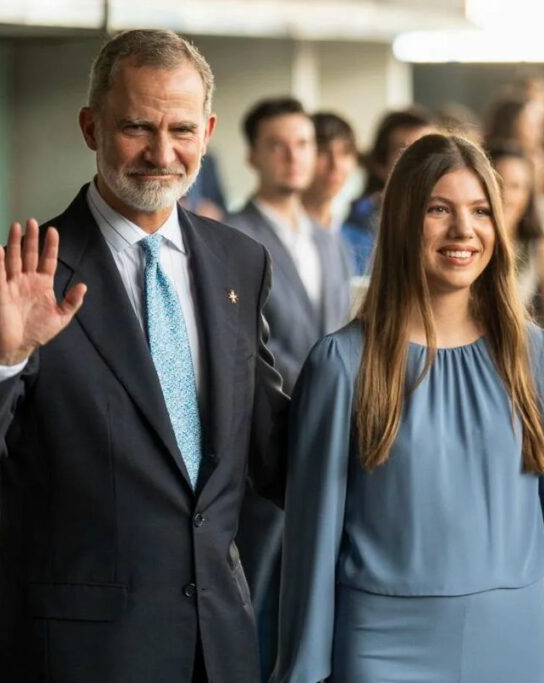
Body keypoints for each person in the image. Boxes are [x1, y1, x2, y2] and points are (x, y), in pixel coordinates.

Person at [0, 30, 286, 683]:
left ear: (209, 130)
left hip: (218, 649)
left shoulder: (239, 263)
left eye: (182, 130)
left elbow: (274, 449)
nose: (162, 153)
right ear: (91, 127)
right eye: (137, 127)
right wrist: (4, 354)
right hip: (79, 658)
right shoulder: (26, 276)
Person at [271, 133, 544, 683]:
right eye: (438, 210)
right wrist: (305, 673)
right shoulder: (342, 363)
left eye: (480, 211)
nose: (463, 231)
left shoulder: (529, 352)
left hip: (516, 643)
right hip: (383, 648)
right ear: (404, 221)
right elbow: (310, 544)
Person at [226, 96, 352, 681]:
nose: (293, 156)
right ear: (252, 154)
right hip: (267, 437)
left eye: (303, 143)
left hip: (333, 434)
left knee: (314, 580)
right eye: (277, 144)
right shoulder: (230, 236)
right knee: (257, 577)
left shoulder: (328, 236)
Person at [491, 144, 544, 366]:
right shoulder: (467, 249)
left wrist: (538, 387)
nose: (506, 194)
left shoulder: (543, 251)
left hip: (527, 378)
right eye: (498, 183)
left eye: (517, 186)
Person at [341, 108, 434, 275]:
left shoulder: (456, 222)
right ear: (380, 164)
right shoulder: (354, 233)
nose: (422, 165)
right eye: (405, 154)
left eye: (430, 154)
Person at [302, 111, 358, 232]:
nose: (335, 164)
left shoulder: (354, 238)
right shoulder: (282, 233)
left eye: (345, 152)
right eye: (322, 151)